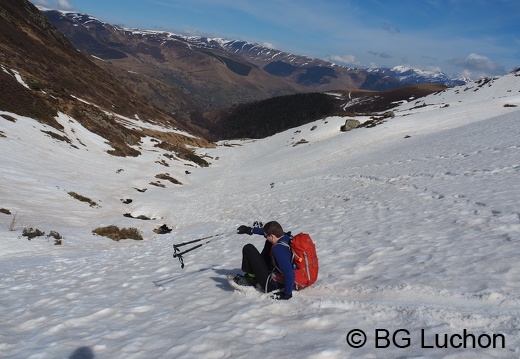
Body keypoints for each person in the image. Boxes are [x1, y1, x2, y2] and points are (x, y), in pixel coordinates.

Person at [234, 221, 294, 300]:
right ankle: (255, 275)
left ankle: (251, 279)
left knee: (248, 248)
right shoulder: (286, 237)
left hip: (271, 284)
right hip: (278, 276)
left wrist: (287, 294)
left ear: (272, 235)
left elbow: (289, 273)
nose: (265, 237)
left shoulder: (278, 250)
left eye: (266, 236)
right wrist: (250, 230)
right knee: (268, 243)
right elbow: (267, 233)